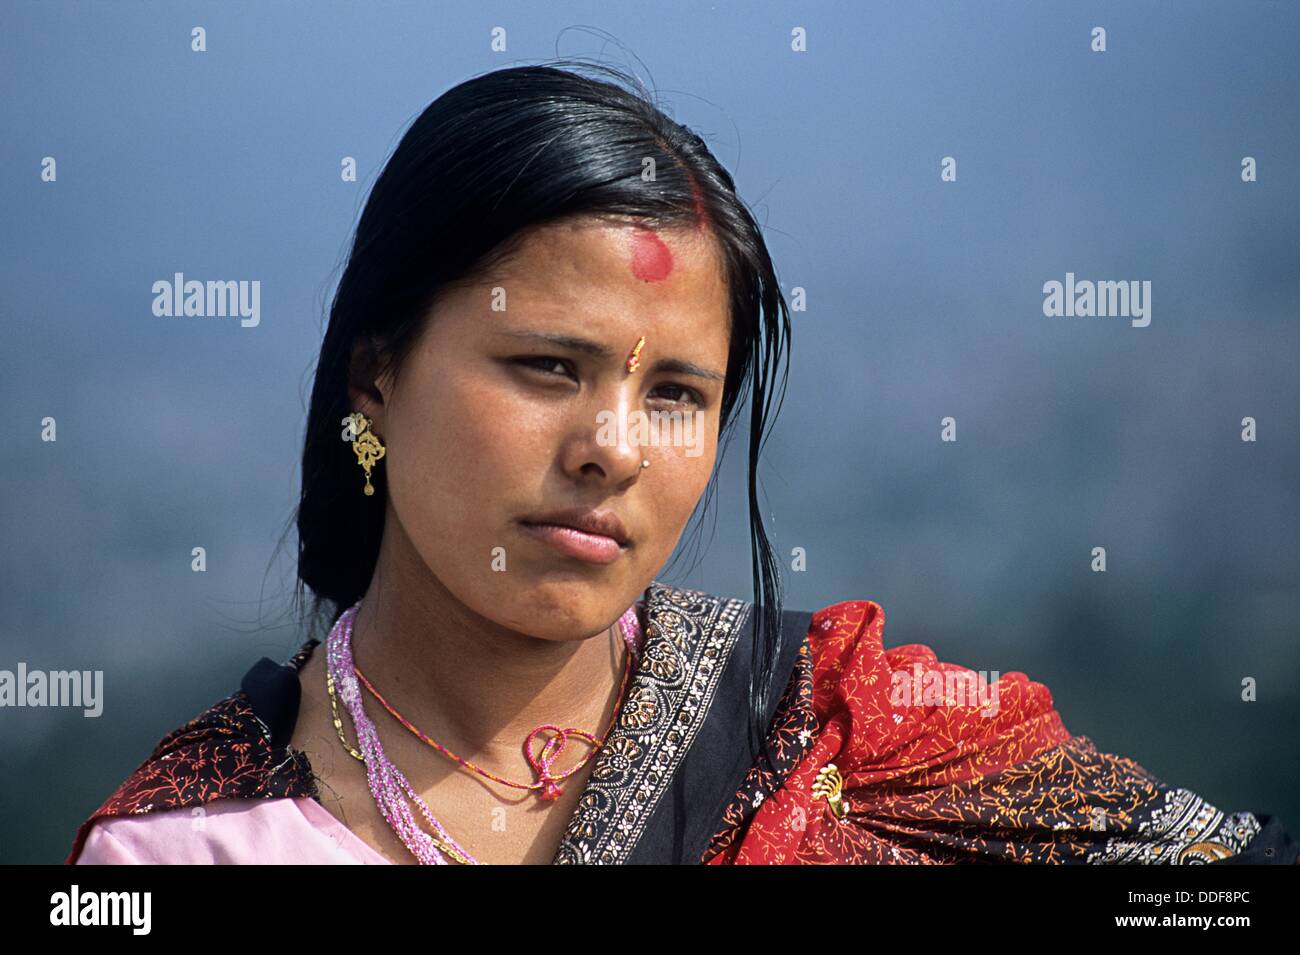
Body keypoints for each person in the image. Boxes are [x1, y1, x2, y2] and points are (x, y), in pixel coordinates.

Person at [66, 63, 1296, 866]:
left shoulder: (844, 735)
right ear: (375, 373)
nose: (611, 447)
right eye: (546, 366)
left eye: (675, 395)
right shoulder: (185, 845)